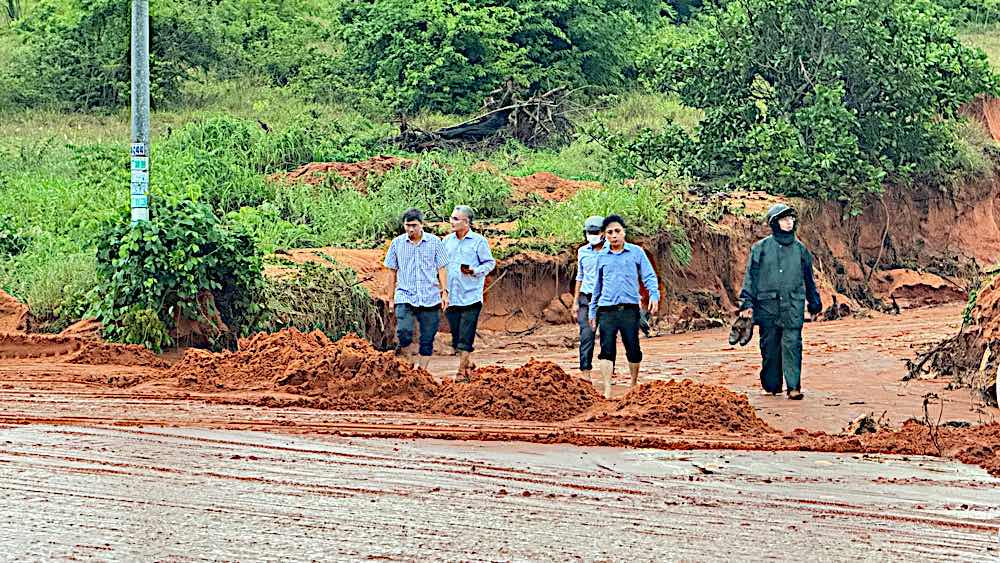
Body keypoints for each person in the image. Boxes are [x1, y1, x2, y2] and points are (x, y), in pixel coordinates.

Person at [738, 203, 823, 400]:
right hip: (767, 306)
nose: (789, 222)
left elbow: (809, 279)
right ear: (774, 222)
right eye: (784, 219)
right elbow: (750, 278)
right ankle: (772, 385)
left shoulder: (801, 250)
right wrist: (747, 304)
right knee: (770, 348)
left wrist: (814, 301)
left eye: (791, 219)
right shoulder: (760, 249)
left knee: (793, 345)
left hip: (793, 306)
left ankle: (794, 387)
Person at [588, 215, 660, 399]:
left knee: (633, 348)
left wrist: (654, 294)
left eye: (617, 231)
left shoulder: (636, 252)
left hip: (629, 309)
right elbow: (597, 286)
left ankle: (634, 383)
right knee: (606, 349)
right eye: (610, 232)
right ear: (605, 235)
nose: (614, 236)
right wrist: (592, 310)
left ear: (624, 232)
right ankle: (607, 389)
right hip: (607, 310)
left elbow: (649, 276)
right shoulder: (601, 257)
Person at [384, 208, 448, 371]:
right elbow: (392, 271)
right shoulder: (397, 244)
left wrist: (444, 292)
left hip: (430, 296)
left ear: (422, 224)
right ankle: (409, 364)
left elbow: (442, 268)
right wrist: (391, 298)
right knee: (404, 332)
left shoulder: (435, 242)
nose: (410, 229)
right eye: (407, 225)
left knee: (427, 338)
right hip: (405, 295)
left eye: (414, 225)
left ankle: (423, 372)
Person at [442, 205, 496, 379]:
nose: (452, 221)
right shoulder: (446, 241)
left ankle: (461, 372)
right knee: (457, 335)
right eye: (451, 218)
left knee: (467, 332)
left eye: (456, 219)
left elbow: (489, 263)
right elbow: (441, 266)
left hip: (471, 294)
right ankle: (468, 361)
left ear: (466, 222)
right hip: (452, 296)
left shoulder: (479, 241)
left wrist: (474, 270)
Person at [571, 216, 606, 381]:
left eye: (595, 232)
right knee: (586, 335)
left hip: (606, 299)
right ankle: (586, 373)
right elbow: (580, 276)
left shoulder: (612, 250)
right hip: (586, 299)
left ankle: (608, 372)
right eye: (589, 233)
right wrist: (575, 302)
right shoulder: (582, 251)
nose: (592, 235)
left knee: (608, 337)